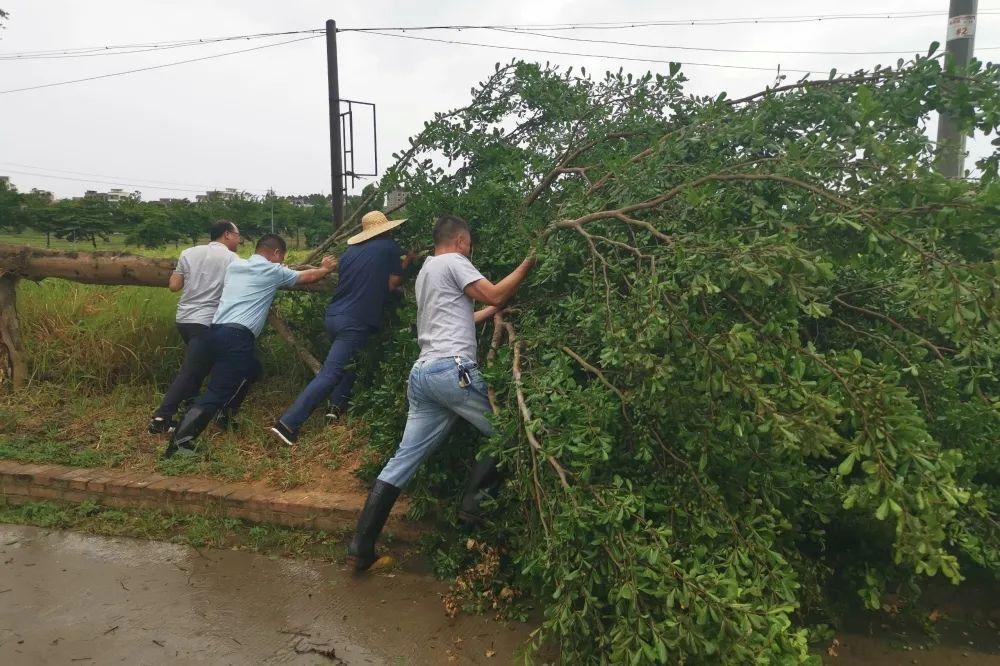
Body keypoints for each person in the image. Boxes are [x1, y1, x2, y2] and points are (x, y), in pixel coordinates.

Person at [346, 214, 535, 572]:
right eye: (470, 246)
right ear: (462, 241)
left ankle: (361, 545)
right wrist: (529, 262)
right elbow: (495, 291)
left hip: (423, 375)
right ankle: (470, 515)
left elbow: (459, 315)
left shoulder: (428, 270)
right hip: (453, 371)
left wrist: (492, 311)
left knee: (402, 461)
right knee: (508, 434)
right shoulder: (455, 261)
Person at [162, 234, 336, 458]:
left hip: (214, 331)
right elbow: (306, 276)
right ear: (275, 254)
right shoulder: (272, 271)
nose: (281, 262)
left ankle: (225, 414)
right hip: (237, 337)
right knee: (216, 391)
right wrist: (324, 268)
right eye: (281, 258)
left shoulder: (236, 266)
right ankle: (180, 443)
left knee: (253, 369)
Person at [270, 210, 413, 445]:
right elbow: (392, 283)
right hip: (356, 320)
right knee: (332, 371)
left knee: (350, 361)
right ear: (386, 229)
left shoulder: (350, 253)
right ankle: (287, 424)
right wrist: (409, 260)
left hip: (335, 316)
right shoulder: (389, 246)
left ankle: (335, 407)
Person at [148, 220, 240, 434]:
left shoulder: (188, 253)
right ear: (227, 235)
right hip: (206, 322)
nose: (239, 240)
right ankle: (161, 418)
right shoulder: (232, 259)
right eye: (237, 235)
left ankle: (191, 404)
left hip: (184, 320)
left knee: (199, 366)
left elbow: (174, 286)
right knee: (190, 371)